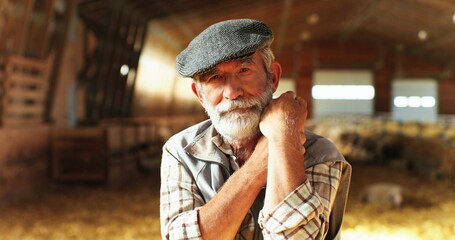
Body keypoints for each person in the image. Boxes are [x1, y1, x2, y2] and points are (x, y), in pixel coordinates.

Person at [160, 19, 351, 240]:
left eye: (244, 70)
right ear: (200, 95)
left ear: (273, 78)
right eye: (215, 78)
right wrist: (258, 166)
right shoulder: (182, 151)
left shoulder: (320, 154)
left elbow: (296, 237)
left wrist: (282, 135)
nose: (232, 92)